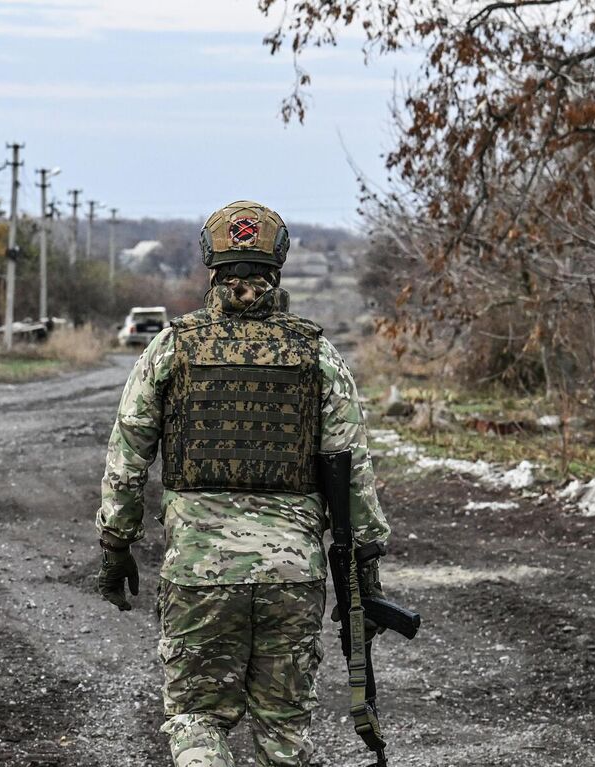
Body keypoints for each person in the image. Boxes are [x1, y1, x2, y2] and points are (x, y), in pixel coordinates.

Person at [94, 201, 392, 766]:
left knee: (196, 718)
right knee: (284, 731)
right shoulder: (317, 355)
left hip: (199, 571)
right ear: (277, 265)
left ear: (211, 266)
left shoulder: (171, 348)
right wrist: (366, 573)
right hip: (292, 574)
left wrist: (115, 548)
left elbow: (127, 458)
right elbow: (353, 470)